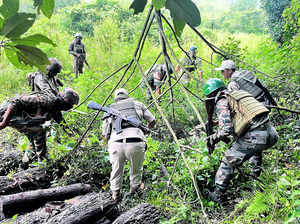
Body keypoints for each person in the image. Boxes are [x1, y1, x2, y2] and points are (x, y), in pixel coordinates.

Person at [203, 78, 278, 203]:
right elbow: (242, 115)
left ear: (211, 94)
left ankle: (217, 195)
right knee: (255, 150)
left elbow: (226, 130)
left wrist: (213, 138)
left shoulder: (221, 101)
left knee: (228, 160)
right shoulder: (237, 94)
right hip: (271, 134)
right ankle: (256, 181)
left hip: (257, 136)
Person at [102, 88, 156, 202]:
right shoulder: (138, 104)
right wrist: (146, 131)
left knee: (116, 171)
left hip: (116, 142)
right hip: (136, 140)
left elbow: (105, 134)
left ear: (115, 97)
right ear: (127, 96)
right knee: (136, 171)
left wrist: (109, 144)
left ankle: (115, 195)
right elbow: (152, 120)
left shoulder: (109, 108)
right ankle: (135, 193)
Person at [0, 88, 79, 162]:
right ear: (63, 101)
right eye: (69, 104)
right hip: (7, 112)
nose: (69, 108)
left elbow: (62, 122)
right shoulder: (46, 100)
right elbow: (15, 102)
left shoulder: (55, 108)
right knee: (39, 130)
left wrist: (74, 136)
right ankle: (41, 160)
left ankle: (28, 161)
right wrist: (4, 123)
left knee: (34, 132)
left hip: (16, 114)